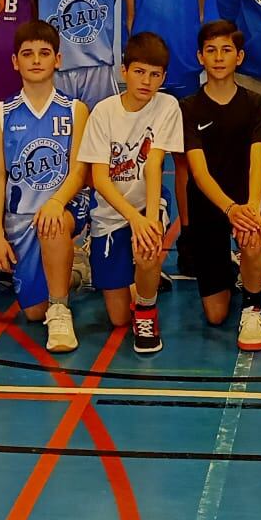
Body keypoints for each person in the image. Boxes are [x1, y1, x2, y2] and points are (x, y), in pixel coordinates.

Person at [0, 20, 90, 353]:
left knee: (52, 224)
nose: (35, 60)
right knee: (33, 312)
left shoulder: (75, 110)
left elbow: (79, 172)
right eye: (27, 54)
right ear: (15, 61)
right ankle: (73, 272)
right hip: (21, 218)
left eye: (44, 53)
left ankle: (60, 310)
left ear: (57, 59)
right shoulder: (1, 115)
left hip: (65, 207)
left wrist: (56, 202)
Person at [80, 32, 185, 355]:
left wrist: (148, 221)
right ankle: (140, 277)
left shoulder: (167, 106)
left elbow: (154, 164)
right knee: (117, 319)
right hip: (110, 212)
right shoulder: (103, 112)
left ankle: (147, 310)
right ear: (123, 71)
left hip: (147, 202)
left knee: (148, 246)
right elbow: (100, 178)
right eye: (139, 72)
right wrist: (131, 220)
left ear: (163, 78)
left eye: (155, 75)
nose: (146, 81)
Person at [179, 21, 261, 347]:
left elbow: (258, 163)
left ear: (240, 56)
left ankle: (252, 308)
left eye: (226, 50)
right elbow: (199, 172)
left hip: (245, 201)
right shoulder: (189, 108)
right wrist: (229, 210)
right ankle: (230, 267)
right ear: (200, 57)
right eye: (211, 50)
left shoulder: (257, 104)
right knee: (216, 315)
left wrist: (252, 208)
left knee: (252, 234)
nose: (219, 57)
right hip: (208, 207)